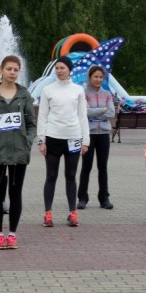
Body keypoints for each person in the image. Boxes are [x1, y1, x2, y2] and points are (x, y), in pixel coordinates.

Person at [0, 55, 37, 249]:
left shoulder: (24, 95)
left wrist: (27, 141)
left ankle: (12, 234)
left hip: (19, 153)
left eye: (16, 69)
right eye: (9, 69)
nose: (12, 72)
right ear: (2, 70)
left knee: (15, 193)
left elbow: (31, 124)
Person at [37, 55, 89, 228]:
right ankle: (48, 213)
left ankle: (73, 213)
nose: (59, 71)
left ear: (69, 70)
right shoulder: (48, 90)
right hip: (52, 138)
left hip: (73, 138)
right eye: (57, 68)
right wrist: (41, 140)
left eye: (62, 68)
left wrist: (85, 141)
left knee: (71, 176)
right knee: (51, 175)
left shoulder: (78, 90)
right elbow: (42, 115)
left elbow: (82, 116)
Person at [77, 65, 116, 210]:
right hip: (89, 134)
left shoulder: (107, 94)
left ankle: (104, 198)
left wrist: (95, 112)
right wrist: (102, 110)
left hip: (104, 134)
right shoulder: (84, 93)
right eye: (96, 77)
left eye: (100, 77)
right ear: (90, 77)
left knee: (102, 167)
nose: (98, 79)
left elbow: (111, 113)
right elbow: (84, 113)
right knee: (86, 167)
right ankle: (82, 197)